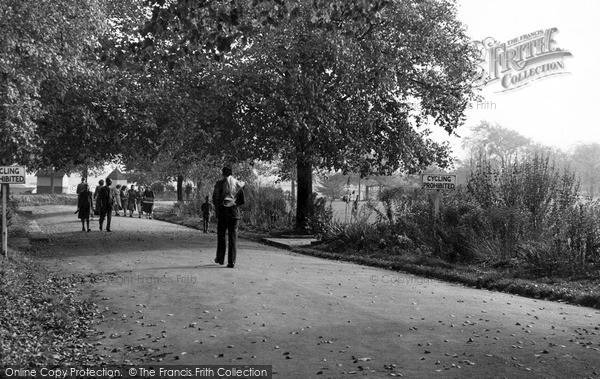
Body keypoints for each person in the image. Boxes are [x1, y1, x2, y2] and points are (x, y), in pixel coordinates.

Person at [212, 166, 245, 268]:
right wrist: (234, 203)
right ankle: (231, 262)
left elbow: (215, 199)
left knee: (221, 236)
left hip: (223, 213)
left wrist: (218, 209)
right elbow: (242, 201)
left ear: (223, 173)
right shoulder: (238, 184)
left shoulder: (219, 184)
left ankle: (220, 259)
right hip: (234, 214)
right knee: (233, 238)